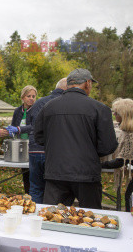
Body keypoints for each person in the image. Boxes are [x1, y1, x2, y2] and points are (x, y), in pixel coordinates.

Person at [34, 68, 118, 209]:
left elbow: (39, 137)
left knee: (52, 220)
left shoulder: (48, 107)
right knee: (91, 220)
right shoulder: (99, 108)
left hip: (56, 173)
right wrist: (88, 150)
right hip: (86, 173)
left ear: (68, 84)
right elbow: (108, 146)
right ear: (87, 83)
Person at [101, 98, 133, 212]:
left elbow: (120, 161)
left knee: (132, 198)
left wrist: (97, 165)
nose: (114, 115)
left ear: (125, 115)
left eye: (116, 113)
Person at [25, 78, 67, 204]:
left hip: (34, 151)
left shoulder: (38, 102)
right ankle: (49, 217)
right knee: (54, 189)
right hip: (53, 152)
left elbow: (31, 126)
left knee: (35, 188)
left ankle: (33, 215)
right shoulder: (64, 102)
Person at [8, 85, 37, 194]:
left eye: (33, 96)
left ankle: (33, 195)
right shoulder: (17, 111)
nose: (31, 98)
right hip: (21, 146)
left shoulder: (36, 110)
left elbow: (34, 126)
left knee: (33, 173)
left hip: (33, 145)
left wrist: (19, 129)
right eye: (28, 96)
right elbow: (14, 125)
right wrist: (11, 131)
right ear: (23, 97)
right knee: (25, 173)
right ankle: (27, 193)